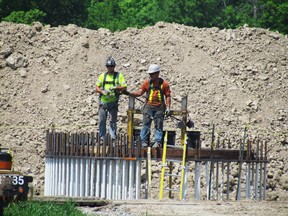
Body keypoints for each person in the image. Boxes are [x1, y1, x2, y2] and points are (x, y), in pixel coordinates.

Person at [130, 64, 171, 148]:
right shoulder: (147, 83)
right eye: (150, 74)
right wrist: (131, 93)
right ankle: (143, 141)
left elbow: (167, 96)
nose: (151, 76)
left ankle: (157, 142)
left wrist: (168, 108)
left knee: (158, 125)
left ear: (157, 73)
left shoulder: (164, 84)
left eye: (152, 74)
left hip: (160, 107)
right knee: (146, 124)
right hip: (148, 106)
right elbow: (140, 92)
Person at [95, 57, 127, 141]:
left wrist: (116, 87)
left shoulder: (118, 76)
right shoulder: (103, 76)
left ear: (114, 66)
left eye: (111, 66)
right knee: (102, 121)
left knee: (113, 121)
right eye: (108, 66)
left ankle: (113, 137)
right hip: (103, 102)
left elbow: (124, 87)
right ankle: (102, 138)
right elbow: (97, 87)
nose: (110, 68)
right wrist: (102, 92)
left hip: (113, 102)